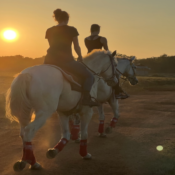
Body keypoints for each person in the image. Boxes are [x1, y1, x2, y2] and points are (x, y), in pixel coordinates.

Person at [44, 9, 99, 106]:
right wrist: (80, 56)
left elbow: (52, 45)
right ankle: (86, 99)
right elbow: (76, 46)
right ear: (67, 19)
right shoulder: (72, 29)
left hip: (49, 60)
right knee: (89, 76)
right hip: (66, 61)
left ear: (56, 19)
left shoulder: (49, 30)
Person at [84, 24, 128, 99]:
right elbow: (107, 52)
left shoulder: (86, 39)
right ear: (98, 30)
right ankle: (117, 92)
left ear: (91, 30)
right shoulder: (103, 39)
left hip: (89, 61)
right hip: (100, 61)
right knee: (114, 74)